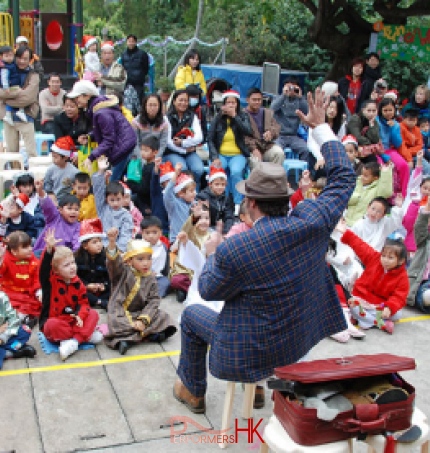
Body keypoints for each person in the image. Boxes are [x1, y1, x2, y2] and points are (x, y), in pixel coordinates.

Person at [173, 88, 356, 414]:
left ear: (251, 203)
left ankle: (192, 390)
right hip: (294, 343)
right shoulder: (314, 219)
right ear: (285, 199)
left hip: (244, 352)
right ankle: (255, 389)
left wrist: (214, 253)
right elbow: (344, 176)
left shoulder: (237, 248)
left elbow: (208, 288)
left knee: (190, 316)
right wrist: (321, 129)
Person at [104, 229, 176, 355]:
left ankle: (127, 339)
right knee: (116, 323)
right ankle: (146, 335)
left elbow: (154, 300)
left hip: (140, 313)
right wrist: (111, 242)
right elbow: (113, 264)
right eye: (140, 259)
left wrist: (143, 320)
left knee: (164, 317)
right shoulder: (122, 272)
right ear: (129, 261)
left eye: (149, 259)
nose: (146, 263)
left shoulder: (151, 277)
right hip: (120, 312)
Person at [39, 229, 102, 361]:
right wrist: (49, 251)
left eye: (73, 263)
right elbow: (44, 269)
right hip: (59, 323)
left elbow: (84, 304)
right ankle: (84, 336)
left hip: (74, 321)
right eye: (66, 265)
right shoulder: (50, 282)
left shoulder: (78, 282)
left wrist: (80, 316)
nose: (72, 267)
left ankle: (74, 342)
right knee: (51, 325)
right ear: (56, 270)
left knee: (94, 314)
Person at [337, 225, 409, 334]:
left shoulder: (402, 277)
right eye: (383, 255)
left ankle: (364, 319)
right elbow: (360, 246)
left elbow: (399, 297)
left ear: (400, 261)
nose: (385, 260)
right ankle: (380, 323)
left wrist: (389, 307)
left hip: (380, 305)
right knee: (352, 306)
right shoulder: (374, 258)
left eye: (390, 258)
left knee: (397, 313)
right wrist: (346, 233)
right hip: (361, 298)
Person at [67, 80, 137, 181]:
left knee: (112, 185)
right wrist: (90, 136)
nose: (76, 100)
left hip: (122, 150)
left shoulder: (101, 113)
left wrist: (91, 157)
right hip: (123, 147)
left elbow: (109, 139)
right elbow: (106, 131)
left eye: (78, 97)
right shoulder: (100, 109)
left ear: (87, 96)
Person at [208, 90, 252, 211]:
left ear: (237, 104)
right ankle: (222, 201)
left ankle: (238, 203)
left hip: (238, 154)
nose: (231, 105)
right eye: (228, 102)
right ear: (224, 104)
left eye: (233, 102)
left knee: (235, 172)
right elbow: (210, 139)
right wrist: (215, 157)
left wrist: (234, 117)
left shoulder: (243, 116)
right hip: (220, 153)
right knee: (220, 173)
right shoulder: (218, 118)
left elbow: (247, 131)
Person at [0, 46, 40, 158]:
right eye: (19, 58)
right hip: (8, 117)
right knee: (11, 154)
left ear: (30, 60)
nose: (22, 61)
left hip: (26, 115)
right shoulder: (6, 70)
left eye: (25, 59)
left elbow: (28, 98)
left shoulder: (33, 75)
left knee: (31, 152)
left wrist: (6, 99)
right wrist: (17, 93)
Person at [170, 202, 212, 303]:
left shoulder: (211, 235)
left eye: (206, 218)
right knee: (177, 280)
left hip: (203, 273)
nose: (203, 221)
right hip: (186, 272)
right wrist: (194, 217)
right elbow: (184, 231)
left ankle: (191, 291)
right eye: (200, 218)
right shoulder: (190, 232)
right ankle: (187, 290)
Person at [164, 90, 204, 191]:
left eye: (186, 100)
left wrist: (183, 143)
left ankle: (195, 193)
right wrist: (184, 150)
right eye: (180, 100)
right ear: (174, 101)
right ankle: (180, 193)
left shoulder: (192, 116)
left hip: (190, 151)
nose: (183, 103)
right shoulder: (167, 118)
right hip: (171, 152)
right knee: (183, 169)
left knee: (198, 169)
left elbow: (199, 137)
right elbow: (168, 142)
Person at [92, 156, 133, 252]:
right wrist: (101, 171)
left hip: (118, 250)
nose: (115, 203)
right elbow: (98, 191)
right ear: (106, 199)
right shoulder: (103, 208)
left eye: (118, 199)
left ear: (123, 198)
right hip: (100, 248)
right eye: (112, 200)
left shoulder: (126, 215)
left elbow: (125, 235)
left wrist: (116, 250)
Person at [0, 231, 41, 321]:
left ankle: (22, 317)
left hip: (28, 295)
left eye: (30, 245)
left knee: (36, 304)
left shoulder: (33, 259)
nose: (30, 249)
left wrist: (38, 291)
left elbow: (37, 277)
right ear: (14, 251)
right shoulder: (6, 259)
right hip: (10, 293)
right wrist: (0, 260)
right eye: (25, 247)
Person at [33, 180, 81, 255]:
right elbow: (47, 205)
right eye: (69, 208)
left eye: (76, 209)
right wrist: (40, 191)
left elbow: (77, 244)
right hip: (43, 252)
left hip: (62, 257)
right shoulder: (54, 217)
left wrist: (74, 255)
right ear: (60, 210)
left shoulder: (78, 226)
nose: (73, 212)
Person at [307, 95, 346, 179]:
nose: (332, 111)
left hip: (331, 155)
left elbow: (339, 143)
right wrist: (320, 157)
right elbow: (311, 144)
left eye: (336, 109)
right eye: (330, 107)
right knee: (322, 169)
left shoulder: (340, 124)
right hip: (316, 153)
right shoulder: (316, 120)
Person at [244, 87, 284, 170]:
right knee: (256, 162)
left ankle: (273, 180)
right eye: (254, 100)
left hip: (266, 146)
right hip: (250, 149)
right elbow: (242, 136)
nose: (257, 102)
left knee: (279, 153)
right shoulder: (242, 115)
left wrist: (271, 133)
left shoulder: (267, 112)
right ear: (247, 100)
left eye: (259, 100)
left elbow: (276, 127)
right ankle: (259, 182)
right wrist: (254, 149)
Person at [377, 98, 409, 197]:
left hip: (389, 150)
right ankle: (384, 195)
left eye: (390, 110)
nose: (388, 113)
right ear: (381, 111)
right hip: (377, 150)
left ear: (394, 110)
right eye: (385, 110)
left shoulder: (396, 124)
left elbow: (398, 143)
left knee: (403, 165)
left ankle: (403, 194)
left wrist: (393, 128)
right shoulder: (376, 121)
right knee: (384, 168)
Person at [75, 219, 110, 309]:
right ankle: (99, 302)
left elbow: (109, 277)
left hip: (101, 289)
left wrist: (104, 285)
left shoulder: (105, 257)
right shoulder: (77, 259)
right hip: (86, 289)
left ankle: (99, 301)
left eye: (100, 241)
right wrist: (87, 285)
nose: (99, 244)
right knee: (77, 291)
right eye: (94, 242)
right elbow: (76, 277)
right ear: (85, 246)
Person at [271, 78, 309, 160]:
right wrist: (284, 95)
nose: (291, 89)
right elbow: (272, 109)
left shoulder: (300, 100)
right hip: (279, 135)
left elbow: (307, 112)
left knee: (305, 150)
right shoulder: (278, 98)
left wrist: (300, 97)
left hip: (294, 136)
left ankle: (303, 172)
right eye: (289, 86)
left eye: (293, 87)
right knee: (276, 150)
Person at [345, 161, 393, 226]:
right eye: (362, 174)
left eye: (366, 176)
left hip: (361, 225)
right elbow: (346, 199)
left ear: (375, 178)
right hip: (346, 221)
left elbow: (386, 192)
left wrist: (385, 173)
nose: (362, 177)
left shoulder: (378, 189)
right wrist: (357, 197)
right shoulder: (357, 182)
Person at [0, 291, 36, 369]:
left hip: (5, 333)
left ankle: (7, 350)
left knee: (25, 331)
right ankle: (11, 353)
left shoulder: (2, 297)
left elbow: (13, 319)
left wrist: (2, 337)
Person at [407, 196, 430, 314]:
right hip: (422, 283)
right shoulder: (425, 241)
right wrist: (427, 209)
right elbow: (420, 228)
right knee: (427, 295)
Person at [163, 163, 196, 244]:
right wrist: (175, 174)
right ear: (181, 193)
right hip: (177, 241)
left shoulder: (195, 204)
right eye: (191, 191)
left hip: (191, 241)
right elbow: (167, 193)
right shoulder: (174, 205)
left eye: (194, 190)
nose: (195, 193)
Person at [196, 166, 234, 234]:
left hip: (220, 227)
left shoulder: (225, 198)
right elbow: (200, 218)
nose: (220, 187)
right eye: (217, 184)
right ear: (210, 185)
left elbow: (229, 216)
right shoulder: (203, 197)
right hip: (207, 227)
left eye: (223, 185)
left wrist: (226, 231)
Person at [127, 134, 158, 216]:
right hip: (142, 198)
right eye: (142, 150)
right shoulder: (146, 165)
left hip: (147, 203)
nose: (142, 153)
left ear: (155, 152)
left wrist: (129, 183)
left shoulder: (150, 168)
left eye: (146, 150)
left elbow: (145, 189)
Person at [132, 94, 169, 159]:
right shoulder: (136, 122)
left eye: (155, 105)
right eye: (150, 105)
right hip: (139, 155)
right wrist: (141, 158)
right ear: (145, 106)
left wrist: (155, 158)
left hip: (156, 156)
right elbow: (135, 143)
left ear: (159, 107)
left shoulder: (164, 123)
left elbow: (163, 144)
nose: (152, 108)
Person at [141, 216, 170, 298]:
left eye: (154, 232)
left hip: (157, 276)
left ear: (160, 233)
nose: (151, 236)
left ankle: (153, 296)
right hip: (141, 275)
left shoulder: (163, 246)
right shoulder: (138, 246)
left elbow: (165, 264)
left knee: (165, 283)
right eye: (147, 233)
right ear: (142, 233)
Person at [121, 34, 150, 115]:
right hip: (127, 83)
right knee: (128, 104)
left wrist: (140, 76)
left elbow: (146, 68)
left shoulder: (142, 54)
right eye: (129, 41)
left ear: (136, 42)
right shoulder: (124, 55)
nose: (131, 43)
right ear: (127, 42)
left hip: (138, 83)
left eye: (132, 41)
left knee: (139, 104)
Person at [44, 136, 79, 201]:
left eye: (56, 157)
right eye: (53, 157)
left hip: (68, 201)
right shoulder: (50, 170)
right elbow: (47, 187)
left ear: (65, 157)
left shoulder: (74, 172)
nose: (53, 159)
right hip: (54, 200)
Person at [346, 99, 381, 164]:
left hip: (366, 149)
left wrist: (371, 125)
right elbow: (357, 137)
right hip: (353, 147)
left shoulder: (374, 122)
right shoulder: (355, 119)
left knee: (374, 160)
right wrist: (370, 143)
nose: (371, 113)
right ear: (363, 110)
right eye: (369, 110)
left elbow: (375, 139)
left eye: (374, 111)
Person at [0, 45, 28, 125]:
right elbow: (4, 78)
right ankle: (20, 110)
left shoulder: (13, 64)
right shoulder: (5, 67)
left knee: (13, 99)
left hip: (14, 85)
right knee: (21, 94)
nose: (9, 57)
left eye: (11, 55)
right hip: (10, 87)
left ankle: (10, 114)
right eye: (6, 56)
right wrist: (6, 87)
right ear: (1, 57)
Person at [399, 107, 427, 173]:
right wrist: (409, 158)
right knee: (409, 169)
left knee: (427, 167)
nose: (412, 123)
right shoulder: (400, 127)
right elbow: (401, 146)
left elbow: (419, 145)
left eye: (414, 120)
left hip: (415, 154)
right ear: (404, 119)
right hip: (402, 154)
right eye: (410, 120)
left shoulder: (417, 129)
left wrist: (410, 152)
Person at [151, 158, 173, 236]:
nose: (171, 184)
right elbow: (154, 182)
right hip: (159, 229)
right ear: (163, 183)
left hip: (171, 230)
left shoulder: (176, 196)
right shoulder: (157, 193)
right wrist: (156, 168)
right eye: (168, 181)